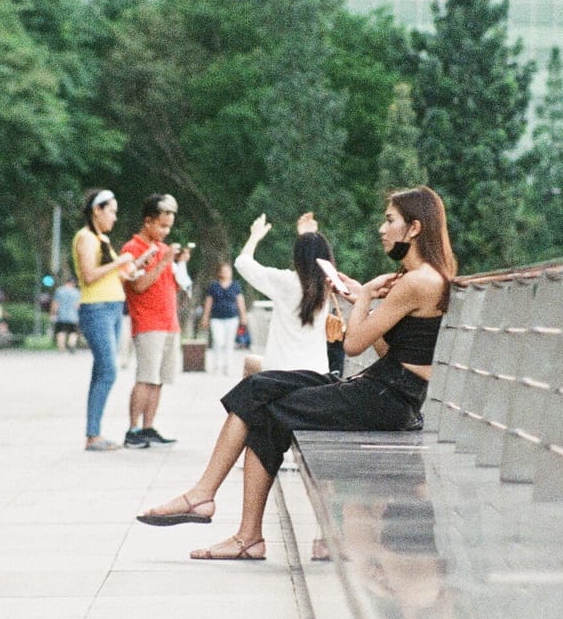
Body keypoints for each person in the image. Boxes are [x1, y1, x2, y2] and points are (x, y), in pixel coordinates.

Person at [138, 187, 455, 560]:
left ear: (414, 228)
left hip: (386, 399)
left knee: (266, 409)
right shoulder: (417, 278)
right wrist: (362, 301)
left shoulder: (418, 281)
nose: (382, 229)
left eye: (390, 220)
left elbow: (353, 345)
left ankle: (229, 520)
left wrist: (365, 298)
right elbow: (389, 350)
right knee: (259, 387)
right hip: (383, 391)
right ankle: (219, 510)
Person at [232, 213, 339, 377]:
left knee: (249, 363)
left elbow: (242, 263)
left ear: (296, 256)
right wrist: (307, 235)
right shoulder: (327, 286)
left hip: (280, 373)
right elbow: (314, 257)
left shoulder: (284, 282)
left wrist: (255, 236)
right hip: (317, 374)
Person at [121, 193, 188, 448]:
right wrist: (163, 262)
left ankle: (148, 427)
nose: (165, 232)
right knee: (146, 377)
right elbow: (138, 285)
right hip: (148, 322)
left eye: (169, 227)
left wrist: (178, 265)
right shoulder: (133, 249)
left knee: (159, 379)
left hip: (169, 321)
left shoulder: (162, 249)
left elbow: (171, 285)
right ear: (147, 221)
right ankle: (133, 430)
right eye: (161, 226)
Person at [72, 189, 130, 450]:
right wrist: (120, 263)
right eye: (111, 211)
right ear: (97, 210)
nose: (114, 217)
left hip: (113, 308)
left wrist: (131, 266)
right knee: (108, 370)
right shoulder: (85, 238)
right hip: (97, 309)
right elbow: (88, 276)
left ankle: (94, 433)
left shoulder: (101, 239)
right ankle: (93, 434)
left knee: (101, 371)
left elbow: (110, 275)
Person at [200, 262, 244, 372]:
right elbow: (209, 302)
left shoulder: (235, 286)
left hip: (232, 317)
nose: (225, 273)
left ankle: (228, 365)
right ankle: (217, 364)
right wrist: (205, 317)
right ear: (220, 272)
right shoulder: (214, 286)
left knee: (229, 342)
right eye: (223, 271)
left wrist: (243, 315)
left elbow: (240, 301)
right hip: (216, 318)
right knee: (218, 341)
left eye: (227, 271)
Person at [53, 277, 82, 352]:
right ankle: (71, 345)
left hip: (61, 316)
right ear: (74, 283)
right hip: (73, 316)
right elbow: (78, 305)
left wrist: (53, 313)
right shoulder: (76, 292)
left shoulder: (59, 290)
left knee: (61, 332)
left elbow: (55, 304)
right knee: (73, 332)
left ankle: (62, 348)